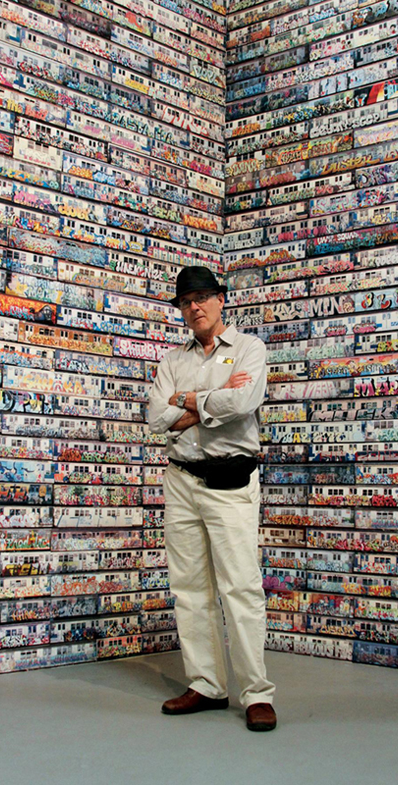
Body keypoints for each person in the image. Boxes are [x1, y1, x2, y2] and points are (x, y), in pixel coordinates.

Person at [147, 266, 277, 732]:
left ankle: (256, 692)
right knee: (189, 588)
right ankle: (206, 685)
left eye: (201, 297)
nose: (194, 307)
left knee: (240, 588)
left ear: (221, 299)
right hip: (180, 480)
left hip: (231, 481)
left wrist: (188, 403)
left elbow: (242, 403)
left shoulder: (249, 349)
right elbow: (155, 419)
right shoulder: (171, 360)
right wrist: (207, 403)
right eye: (185, 301)